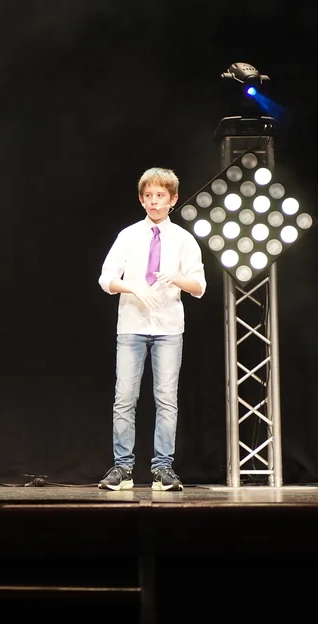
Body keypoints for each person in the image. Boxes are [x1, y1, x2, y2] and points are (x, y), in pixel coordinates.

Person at [97, 167, 206, 491]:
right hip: (132, 324)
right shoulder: (128, 236)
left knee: (166, 400)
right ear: (141, 200)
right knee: (124, 398)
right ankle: (123, 468)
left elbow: (199, 286)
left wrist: (177, 279)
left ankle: (162, 468)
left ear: (173, 199)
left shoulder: (184, 239)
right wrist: (131, 286)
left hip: (168, 328)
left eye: (160, 196)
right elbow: (105, 279)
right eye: (149, 196)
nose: (154, 202)